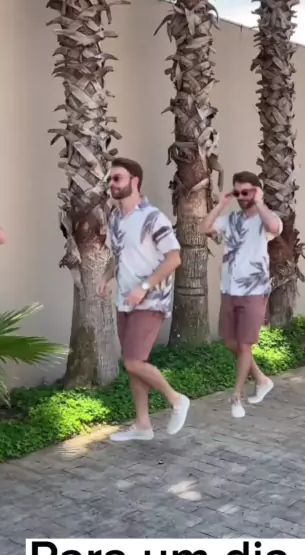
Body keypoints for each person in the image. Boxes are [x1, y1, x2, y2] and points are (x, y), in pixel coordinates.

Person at [98, 157, 190, 441]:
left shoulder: (153, 217)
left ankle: (177, 400)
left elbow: (174, 258)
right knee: (134, 363)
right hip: (125, 300)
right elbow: (118, 256)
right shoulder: (116, 219)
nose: (112, 184)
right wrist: (105, 278)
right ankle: (143, 426)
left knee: (133, 361)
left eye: (117, 178)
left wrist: (145, 287)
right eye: (110, 179)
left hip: (151, 300)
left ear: (134, 181)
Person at [199, 171, 283, 417]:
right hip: (229, 288)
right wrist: (222, 203)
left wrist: (259, 201)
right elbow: (203, 227)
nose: (242, 197)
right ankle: (261, 379)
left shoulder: (265, 219)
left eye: (246, 192)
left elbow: (274, 227)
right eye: (238, 192)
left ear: (256, 191)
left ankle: (236, 397)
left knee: (245, 344)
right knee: (231, 342)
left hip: (254, 290)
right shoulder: (231, 219)